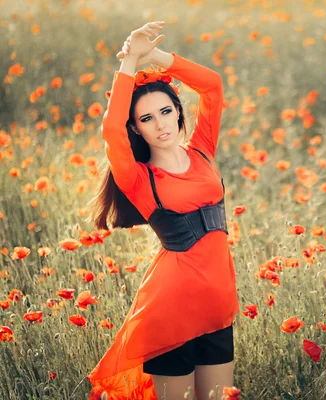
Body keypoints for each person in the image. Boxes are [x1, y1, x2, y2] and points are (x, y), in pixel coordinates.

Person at [86, 21, 240, 400]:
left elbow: (212, 85)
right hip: (170, 312)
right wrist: (128, 67)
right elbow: (110, 131)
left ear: (177, 112)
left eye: (166, 111)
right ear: (136, 129)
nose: (161, 124)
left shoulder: (203, 149)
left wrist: (154, 57)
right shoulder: (139, 179)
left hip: (219, 306)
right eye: (146, 118)